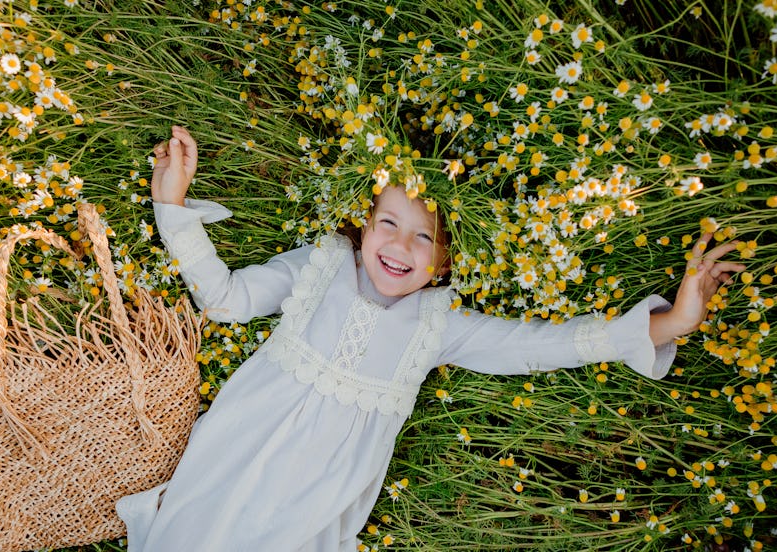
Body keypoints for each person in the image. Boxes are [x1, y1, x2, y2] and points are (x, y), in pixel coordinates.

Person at [116, 125, 745, 551]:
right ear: (362, 227)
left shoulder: (438, 325)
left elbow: (539, 345)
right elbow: (225, 299)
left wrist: (673, 323)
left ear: (443, 263)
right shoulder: (318, 267)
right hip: (239, 451)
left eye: (425, 237)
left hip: (314, 497)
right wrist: (173, 206)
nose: (400, 245)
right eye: (388, 223)